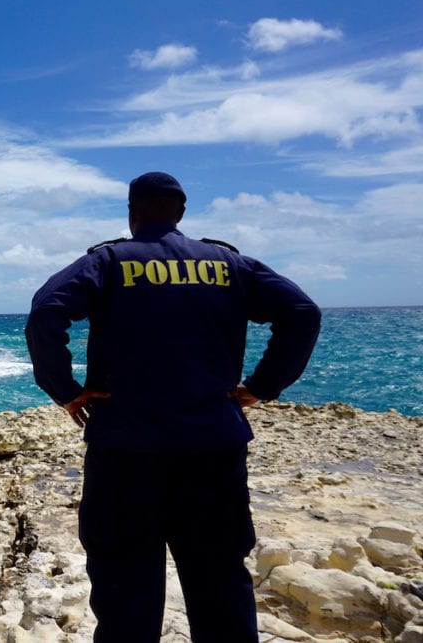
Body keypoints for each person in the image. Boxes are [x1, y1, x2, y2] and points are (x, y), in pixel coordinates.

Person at [25, 171, 321, 642]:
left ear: (131, 212)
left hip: (125, 449)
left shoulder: (109, 261)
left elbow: (46, 311)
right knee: (220, 579)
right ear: (181, 213)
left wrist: (65, 389)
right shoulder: (229, 263)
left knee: (125, 583)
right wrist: (262, 386)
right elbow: (302, 313)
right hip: (213, 447)